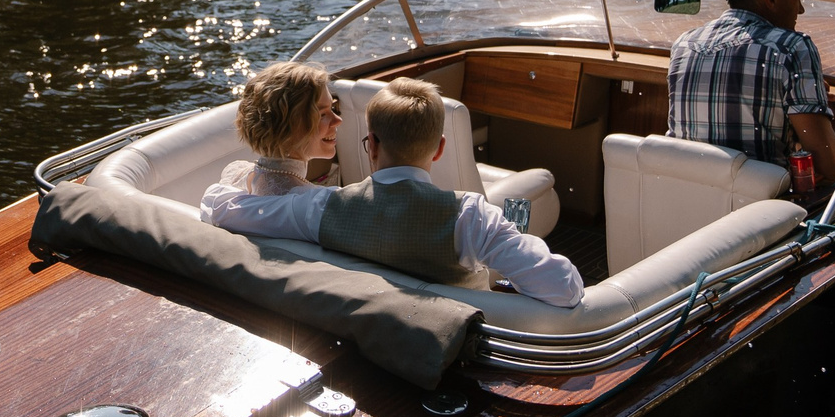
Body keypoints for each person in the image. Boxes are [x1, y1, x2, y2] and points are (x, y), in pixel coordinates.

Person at [200, 77, 583, 306]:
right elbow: (564, 288)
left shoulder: (317, 207)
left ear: (372, 145)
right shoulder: (473, 216)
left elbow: (219, 206)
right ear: (439, 149)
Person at [667, 0, 835, 198]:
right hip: (759, 209)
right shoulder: (791, 47)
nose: (800, 10)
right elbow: (828, 163)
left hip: (686, 197)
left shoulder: (684, 44)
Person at [212, 61, 342, 197]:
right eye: (322, 115)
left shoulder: (235, 176)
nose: (338, 120)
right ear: (287, 128)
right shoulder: (320, 201)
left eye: (332, 108)